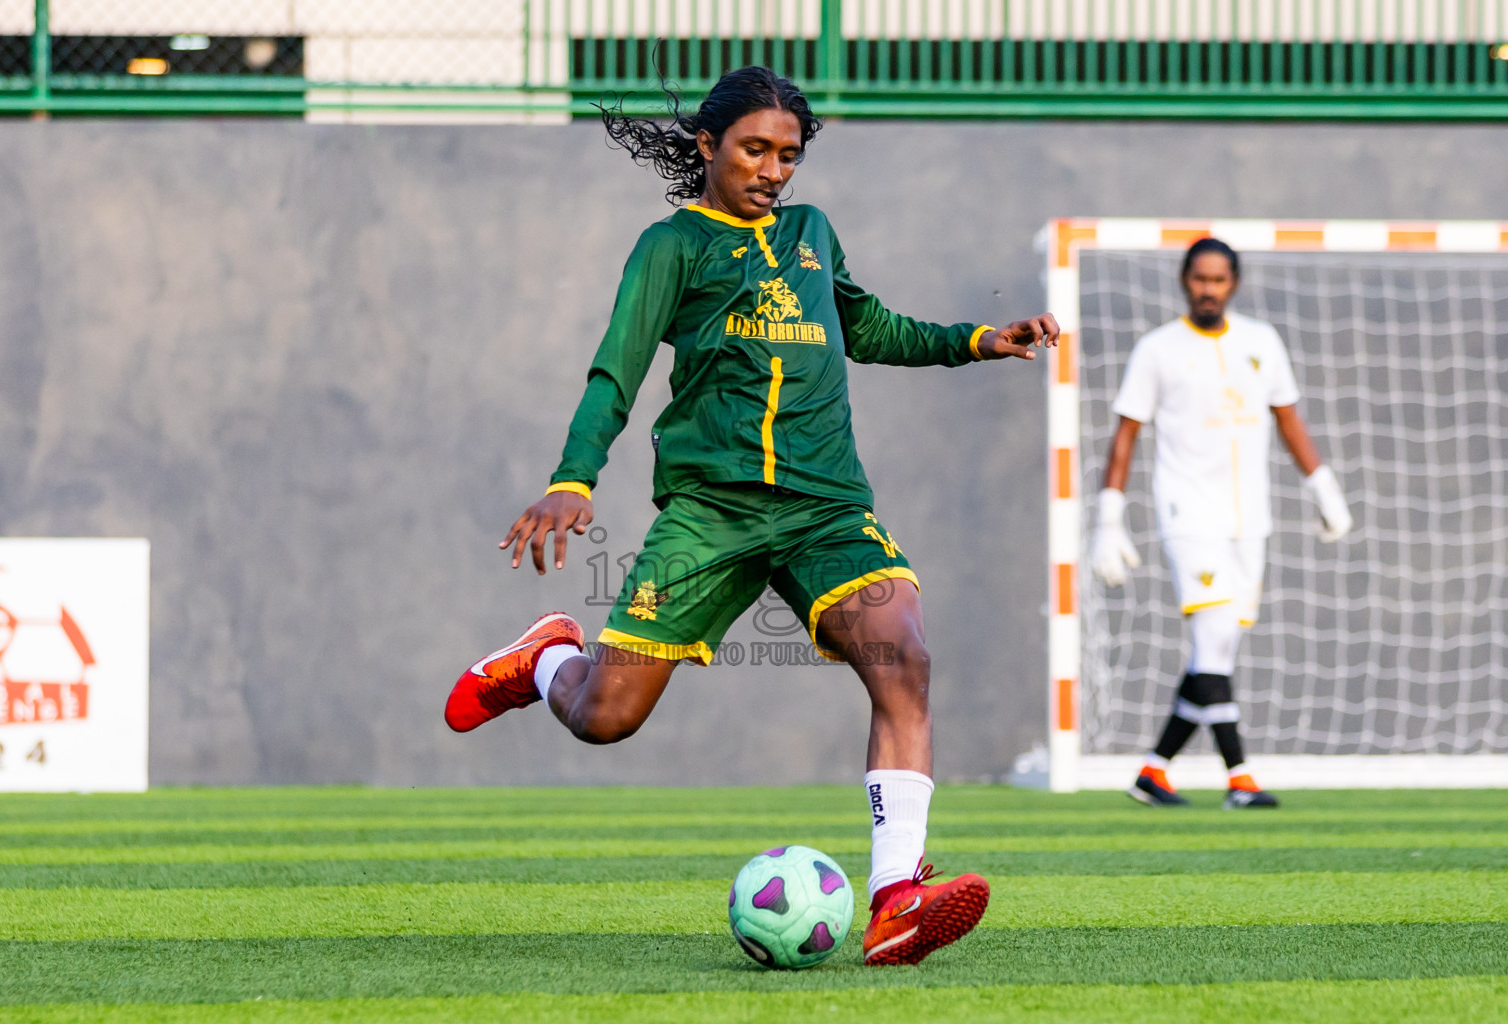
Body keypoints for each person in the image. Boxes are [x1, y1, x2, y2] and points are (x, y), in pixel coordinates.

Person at [444, 65, 1059, 965]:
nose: (773, 170)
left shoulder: (811, 234)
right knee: (607, 716)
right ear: (708, 146)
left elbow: (869, 327)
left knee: (904, 656)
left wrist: (976, 341)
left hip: (824, 506)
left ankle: (896, 897)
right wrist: (574, 478)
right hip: (712, 510)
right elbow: (616, 369)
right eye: (754, 150)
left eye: (788, 156)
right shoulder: (671, 247)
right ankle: (548, 661)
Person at [1091, 237, 1352, 810]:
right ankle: (1240, 776)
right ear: (1185, 280)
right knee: (1211, 636)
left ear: (1233, 283)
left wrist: (1323, 487)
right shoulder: (1158, 349)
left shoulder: (1261, 342)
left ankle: (1154, 772)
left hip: (1249, 517)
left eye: (1219, 280)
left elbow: (1288, 419)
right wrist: (1109, 518)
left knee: (1219, 648)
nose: (1208, 289)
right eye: (1199, 279)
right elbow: (1126, 434)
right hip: (1188, 512)